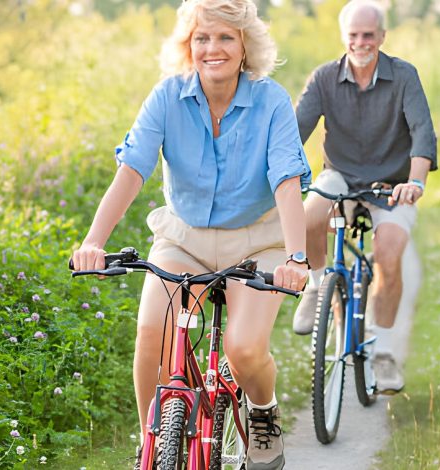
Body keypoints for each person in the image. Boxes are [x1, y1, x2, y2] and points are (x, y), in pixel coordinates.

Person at [70, 0, 310, 467]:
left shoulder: (271, 101)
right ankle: (151, 445)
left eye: (225, 37)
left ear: (245, 46)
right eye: (202, 38)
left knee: (243, 349)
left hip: (258, 242)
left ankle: (262, 412)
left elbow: (286, 181)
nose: (212, 48)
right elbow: (132, 170)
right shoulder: (167, 96)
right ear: (188, 45)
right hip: (184, 238)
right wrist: (93, 241)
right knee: (151, 330)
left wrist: (296, 258)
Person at [293, 0, 437, 394]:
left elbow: (423, 133)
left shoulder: (404, 76)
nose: (361, 42)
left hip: (391, 184)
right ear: (344, 37)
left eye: (368, 35)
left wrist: (416, 182)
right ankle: (317, 285)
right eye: (354, 35)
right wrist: (280, 175)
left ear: (382, 37)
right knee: (308, 216)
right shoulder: (324, 78)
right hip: (340, 173)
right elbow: (294, 133)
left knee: (389, 254)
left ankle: (386, 353)